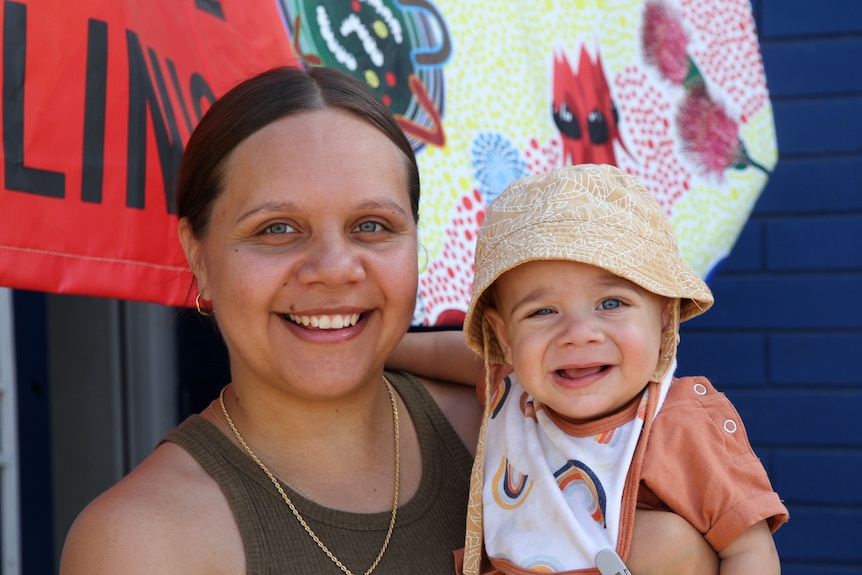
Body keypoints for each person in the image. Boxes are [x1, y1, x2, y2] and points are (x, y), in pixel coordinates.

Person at [59, 67, 721, 575]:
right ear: (197, 257)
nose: (334, 267)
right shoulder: (142, 541)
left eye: (372, 225)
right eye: (277, 228)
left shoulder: (517, 429)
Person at [397, 164, 788, 574]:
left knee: (664, 543)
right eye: (542, 311)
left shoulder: (681, 424)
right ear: (505, 338)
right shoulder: (514, 394)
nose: (578, 334)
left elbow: (749, 550)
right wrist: (387, 350)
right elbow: (454, 356)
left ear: (664, 319)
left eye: (611, 303)